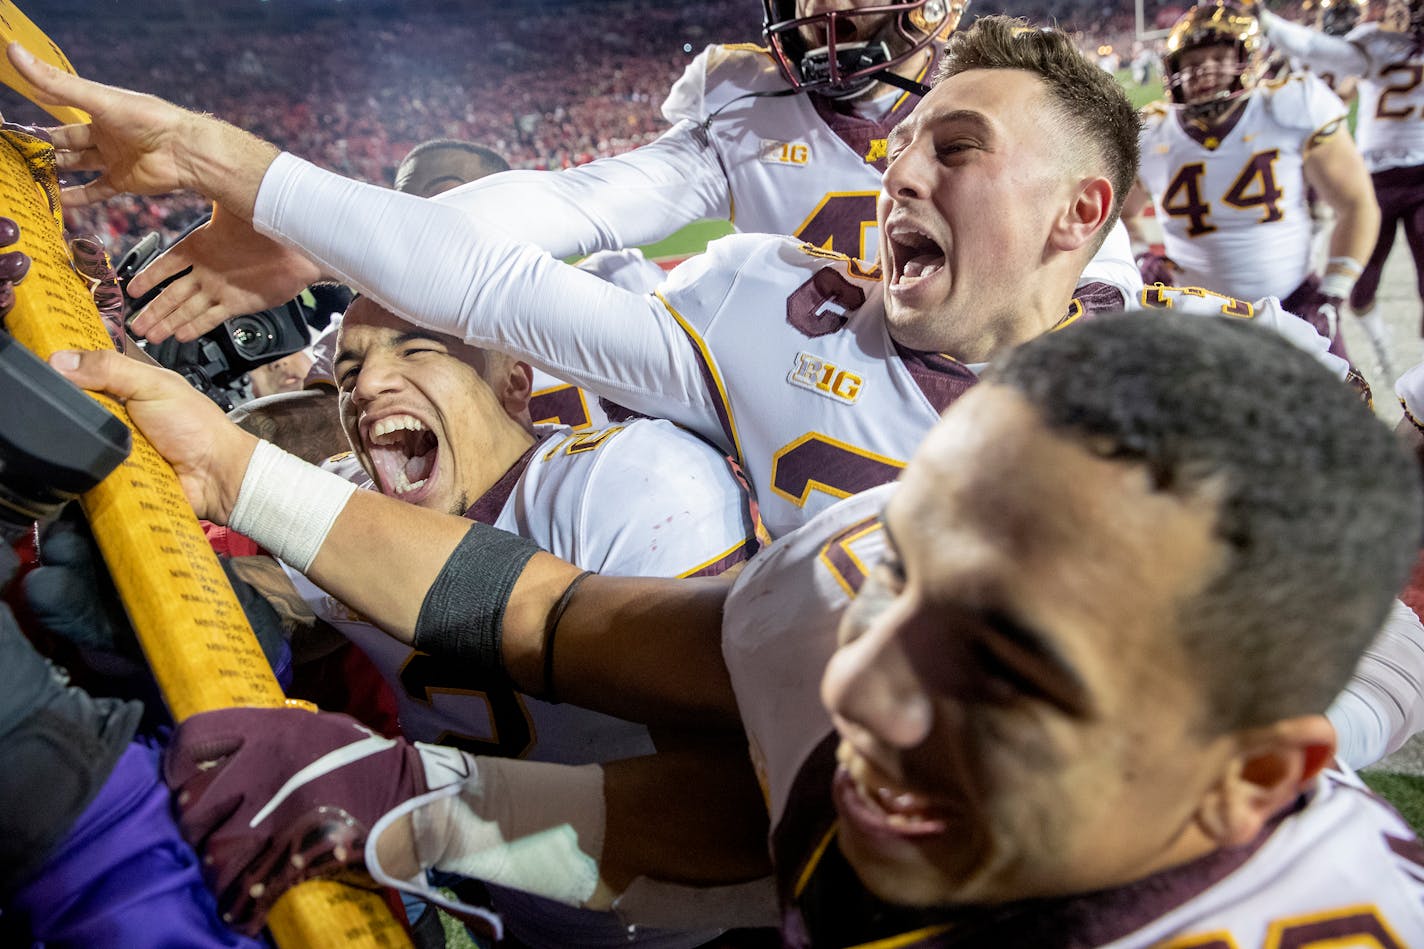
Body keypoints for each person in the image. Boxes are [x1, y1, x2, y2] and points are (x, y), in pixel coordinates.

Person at [51, 311, 1424, 946]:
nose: (870, 683)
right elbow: (559, 612)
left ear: (1252, 781)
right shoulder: (847, 595)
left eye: (1010, 671)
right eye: (900, 568)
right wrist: (238, 472)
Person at [7, 18, 1147, 539]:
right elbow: (555, 216)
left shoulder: (1110, 292)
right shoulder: (753, 214)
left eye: (954, 150)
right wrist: (317, 237)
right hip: (748, 427)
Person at [1123, 2, 1379, 360]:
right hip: (1195, 312)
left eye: (1218, 57)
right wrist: (1141, 255)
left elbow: (1356, 204)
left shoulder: (1290, 106)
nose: (1204, 70)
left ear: (1248, 58)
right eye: (1192, 62)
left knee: (1334, 408)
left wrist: (1332, 293)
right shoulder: (1151, 132)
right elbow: (1123, 214)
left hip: (1292, 302)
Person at [1254, 0, 1424, 371]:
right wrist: (1265, 21)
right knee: (1358, 285)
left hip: (1415, 172)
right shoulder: (1373, 42)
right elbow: (1317, 53)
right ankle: (1382, 351)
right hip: (1368, 171)